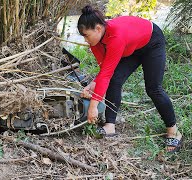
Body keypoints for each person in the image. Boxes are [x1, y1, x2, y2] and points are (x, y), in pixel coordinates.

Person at [78, 5, 182, 152]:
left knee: (153, 89)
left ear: (98, 29)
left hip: (152, 42)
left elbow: (106, 73)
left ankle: (174, 131)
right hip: (132, 47)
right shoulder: (95, 42)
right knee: (115, 79)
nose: (85, 40)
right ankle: (110, 126)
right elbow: (105, 70)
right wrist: (94, 84)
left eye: (86, 35)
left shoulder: (115, 37)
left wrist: (93, 107)